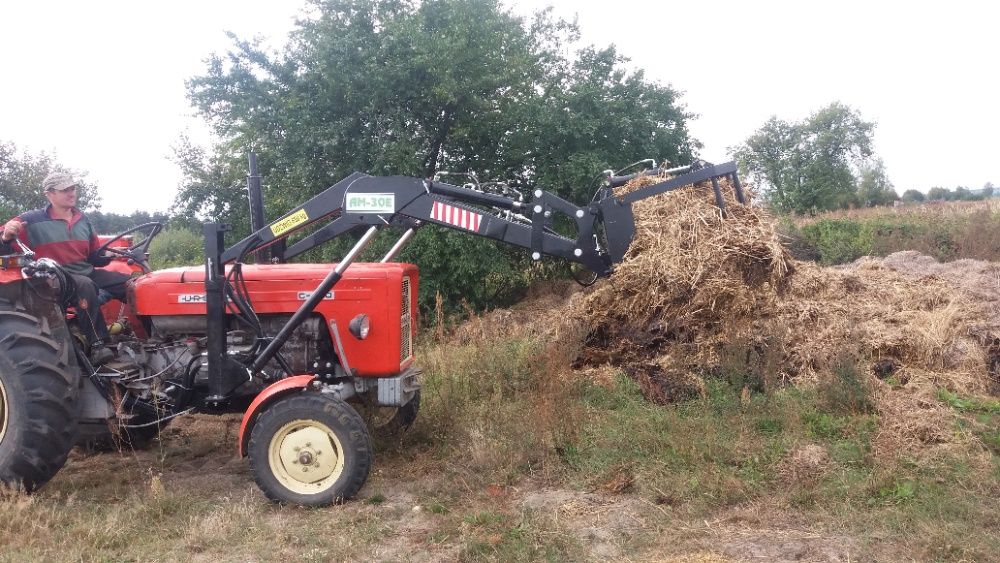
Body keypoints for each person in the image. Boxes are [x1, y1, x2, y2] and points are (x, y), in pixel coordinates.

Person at [0, 172, 130, 363]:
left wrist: (111, 255)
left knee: (133, 285)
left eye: (72, 189)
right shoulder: (31, 220)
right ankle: (97, 345)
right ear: (49, 194)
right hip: (52, 277)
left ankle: (156, 338)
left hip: (85, 271)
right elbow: (6, 242)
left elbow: (94, 257)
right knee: (83, 285)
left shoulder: (82, 219)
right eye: (64, 190)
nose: (71, 193)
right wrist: (6, 235)